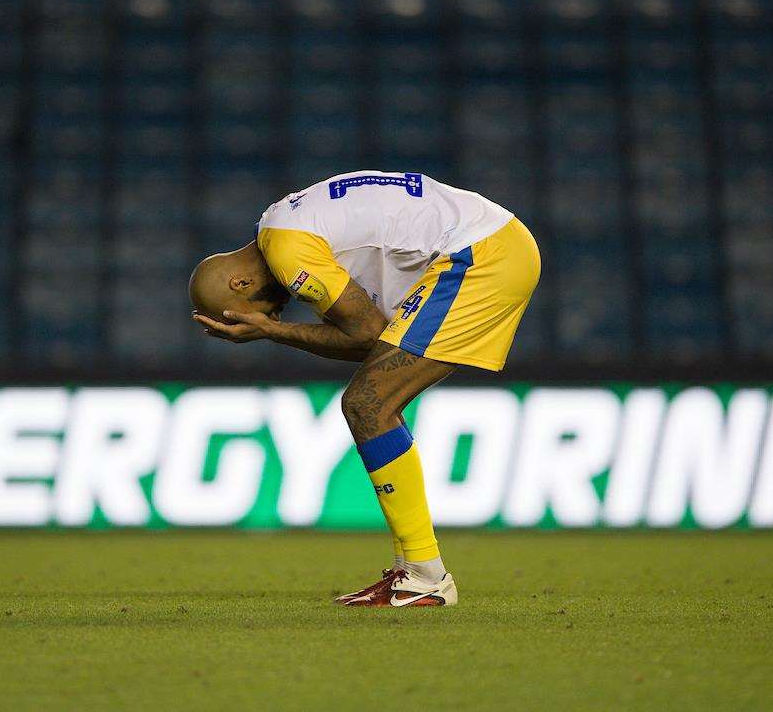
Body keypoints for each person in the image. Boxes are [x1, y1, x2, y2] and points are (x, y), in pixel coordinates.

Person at [188, 171, 541, 607]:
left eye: (255, 311)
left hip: (479, 256)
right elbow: (374, 344)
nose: (276, 312)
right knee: (370, 402)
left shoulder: (287, 250)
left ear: (239, 285)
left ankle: (425, 576)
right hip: (487, 242)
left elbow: (364, 334)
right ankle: (415, 573)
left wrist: (270, 333)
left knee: (368, 403)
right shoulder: (282, 224)